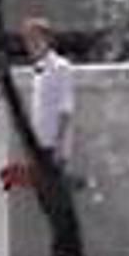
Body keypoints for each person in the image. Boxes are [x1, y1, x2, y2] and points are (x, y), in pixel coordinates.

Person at [22, 16, 76, 165]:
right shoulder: (38, 69)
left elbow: (66, 107)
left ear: (47, 39)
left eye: (36, 39)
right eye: (29, 40)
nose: (32, 44)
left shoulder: (61, 67)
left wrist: (59, 143)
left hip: (53, 144)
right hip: (38, 144)